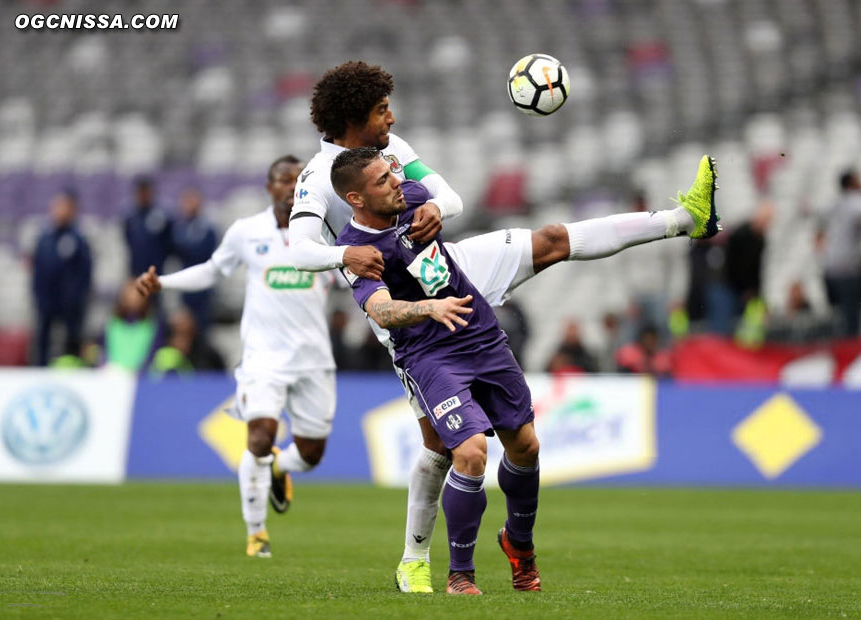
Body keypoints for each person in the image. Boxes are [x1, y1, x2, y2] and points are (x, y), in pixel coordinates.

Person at [287, 61, 721, 593]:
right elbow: (299, 250)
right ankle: (414, 558)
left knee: (554, 240)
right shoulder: (318, 178)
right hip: (403, 310)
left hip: (451, 264)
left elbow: (450, 197)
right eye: (381, 110)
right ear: (355, 118)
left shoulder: (390, 151)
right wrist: (344, 253)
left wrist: (435, 212)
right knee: (442, 449)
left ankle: (685, 219)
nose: (391, 117)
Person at [332, 147, 542, 595]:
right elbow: (382, 311)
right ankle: (459, 575)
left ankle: (519, 546)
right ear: (356, 198)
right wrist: (432, 307)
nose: (395, 182)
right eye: (381, 181)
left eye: (392, 173)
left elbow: (450, 198)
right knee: (468, 453)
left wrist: (434, 207)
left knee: (525, 446)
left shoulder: (408, 197)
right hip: (430, 355)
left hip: (481, 336)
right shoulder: (354, 251)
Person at [135, 156, 337, 559]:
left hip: (313, 358)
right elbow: (213, 270)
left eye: (300, 180)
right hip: (263, 358)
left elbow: (353, 274)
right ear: (269, 187)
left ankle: (281, 468)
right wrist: (165, 283)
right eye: (284, 179)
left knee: (312, 453)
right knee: (259, 436)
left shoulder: (327, 232)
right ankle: (257, 533)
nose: (292, 186)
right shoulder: (247, 231)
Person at [31, 191, 92, 366]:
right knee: (43, 338)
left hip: (70, 303)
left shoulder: (78, 239)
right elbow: (38, 269)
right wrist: (38, 295)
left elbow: (84, 271)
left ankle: (73, 367)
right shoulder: (44, 238)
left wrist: (76, 297)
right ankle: (40, 368)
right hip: (47, 300)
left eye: (63, 207)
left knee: (72, 338)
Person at [819, 170, 861, 336]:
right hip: (849, 270)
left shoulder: (836, 202)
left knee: (840, 317)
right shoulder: (855, 201)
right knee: (852, 321)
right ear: (852, 183)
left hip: (831, 268)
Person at [171, 187, 218, 333]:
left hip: (203, 283)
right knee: (185, 322)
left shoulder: (206, 227)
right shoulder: (180, 227)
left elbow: (203, 251)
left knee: (202, 323)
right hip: (186, 282)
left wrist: (185, 247)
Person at [125, 176, 172, 278]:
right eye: (141, 192)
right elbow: (128, 240)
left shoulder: (161, 216)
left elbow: (168, 243)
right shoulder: (131, 218)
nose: (143, 195)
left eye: (145, 191)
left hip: (156, 271)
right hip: (136, 270)